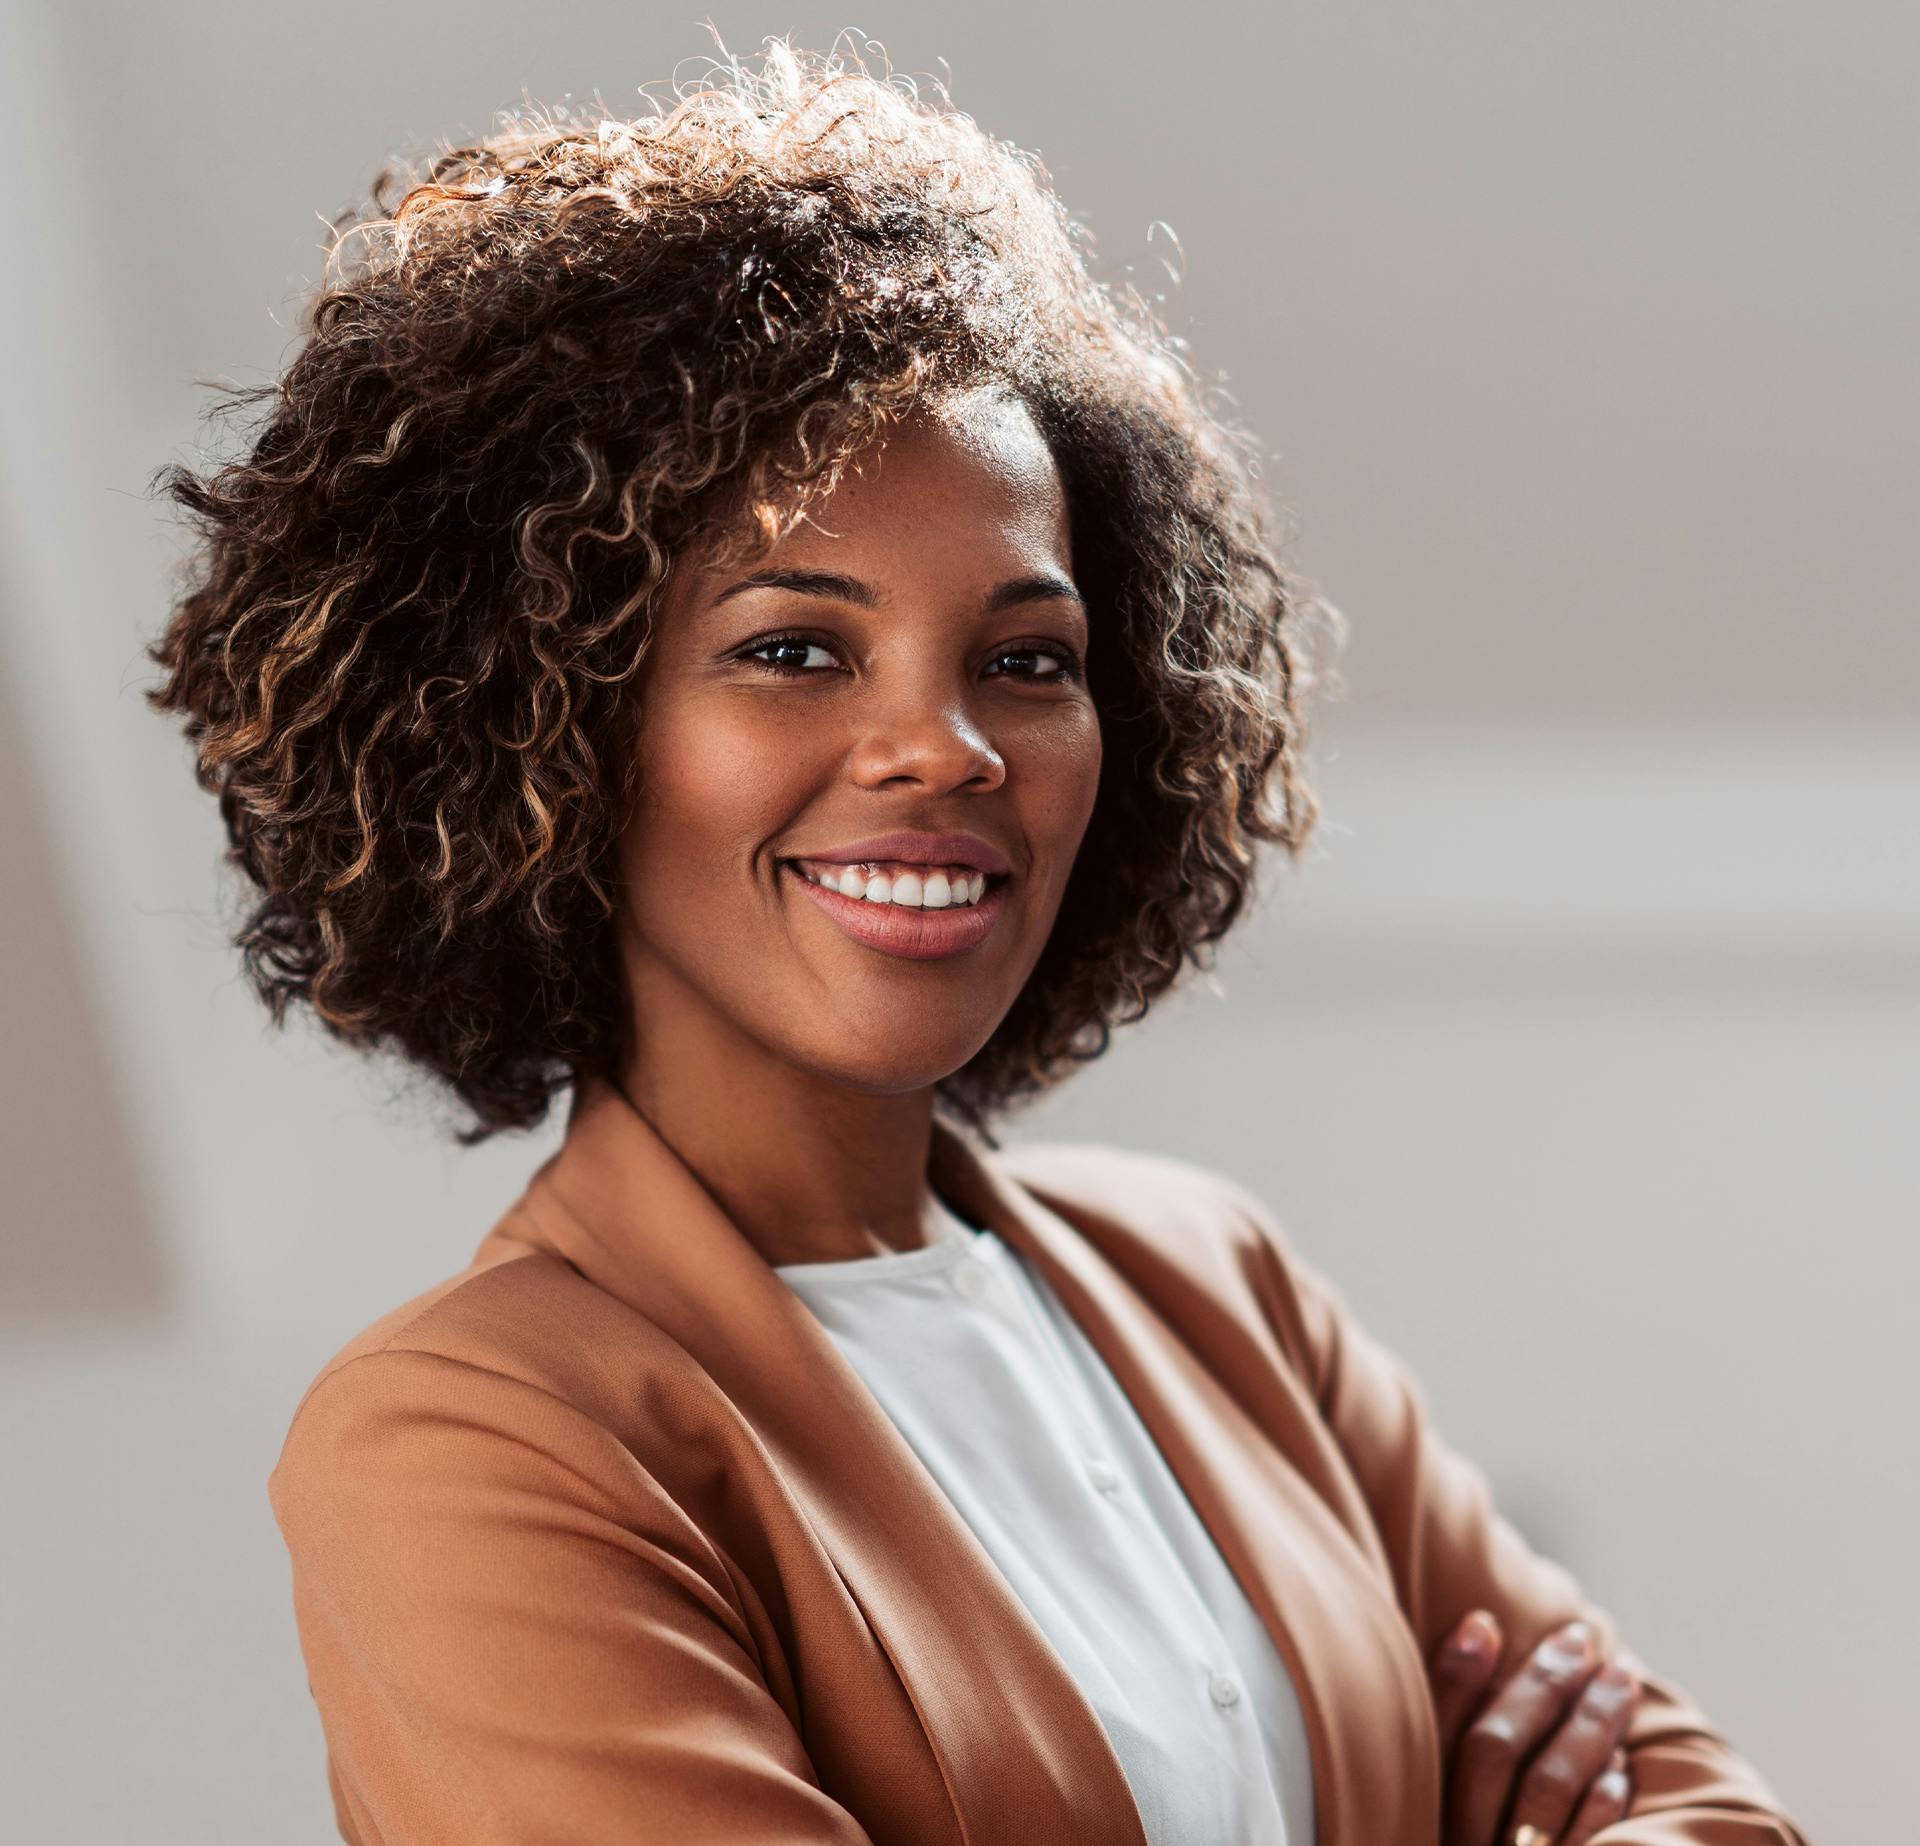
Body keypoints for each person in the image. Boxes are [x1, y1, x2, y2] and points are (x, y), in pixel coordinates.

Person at [145, 37, 1810, 1846]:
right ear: (546, 725)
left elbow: (1714, 1814)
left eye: (1027, 659)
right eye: (794, 647)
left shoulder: (1216, 1283)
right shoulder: (476, 1440)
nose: (948, 745)